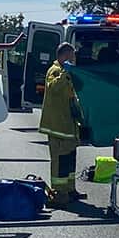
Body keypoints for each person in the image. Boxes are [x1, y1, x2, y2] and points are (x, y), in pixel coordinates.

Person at [38, 42, 83, 207]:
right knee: (59, 161)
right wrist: (66, 72)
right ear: (65, 56)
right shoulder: (55, 70)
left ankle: (70, 189)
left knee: (69, 159)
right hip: (57, 126)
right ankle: (59, 193)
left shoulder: (68, 72)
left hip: (68, 125)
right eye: (72, 56)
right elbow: (54, 87)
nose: (75, 59)